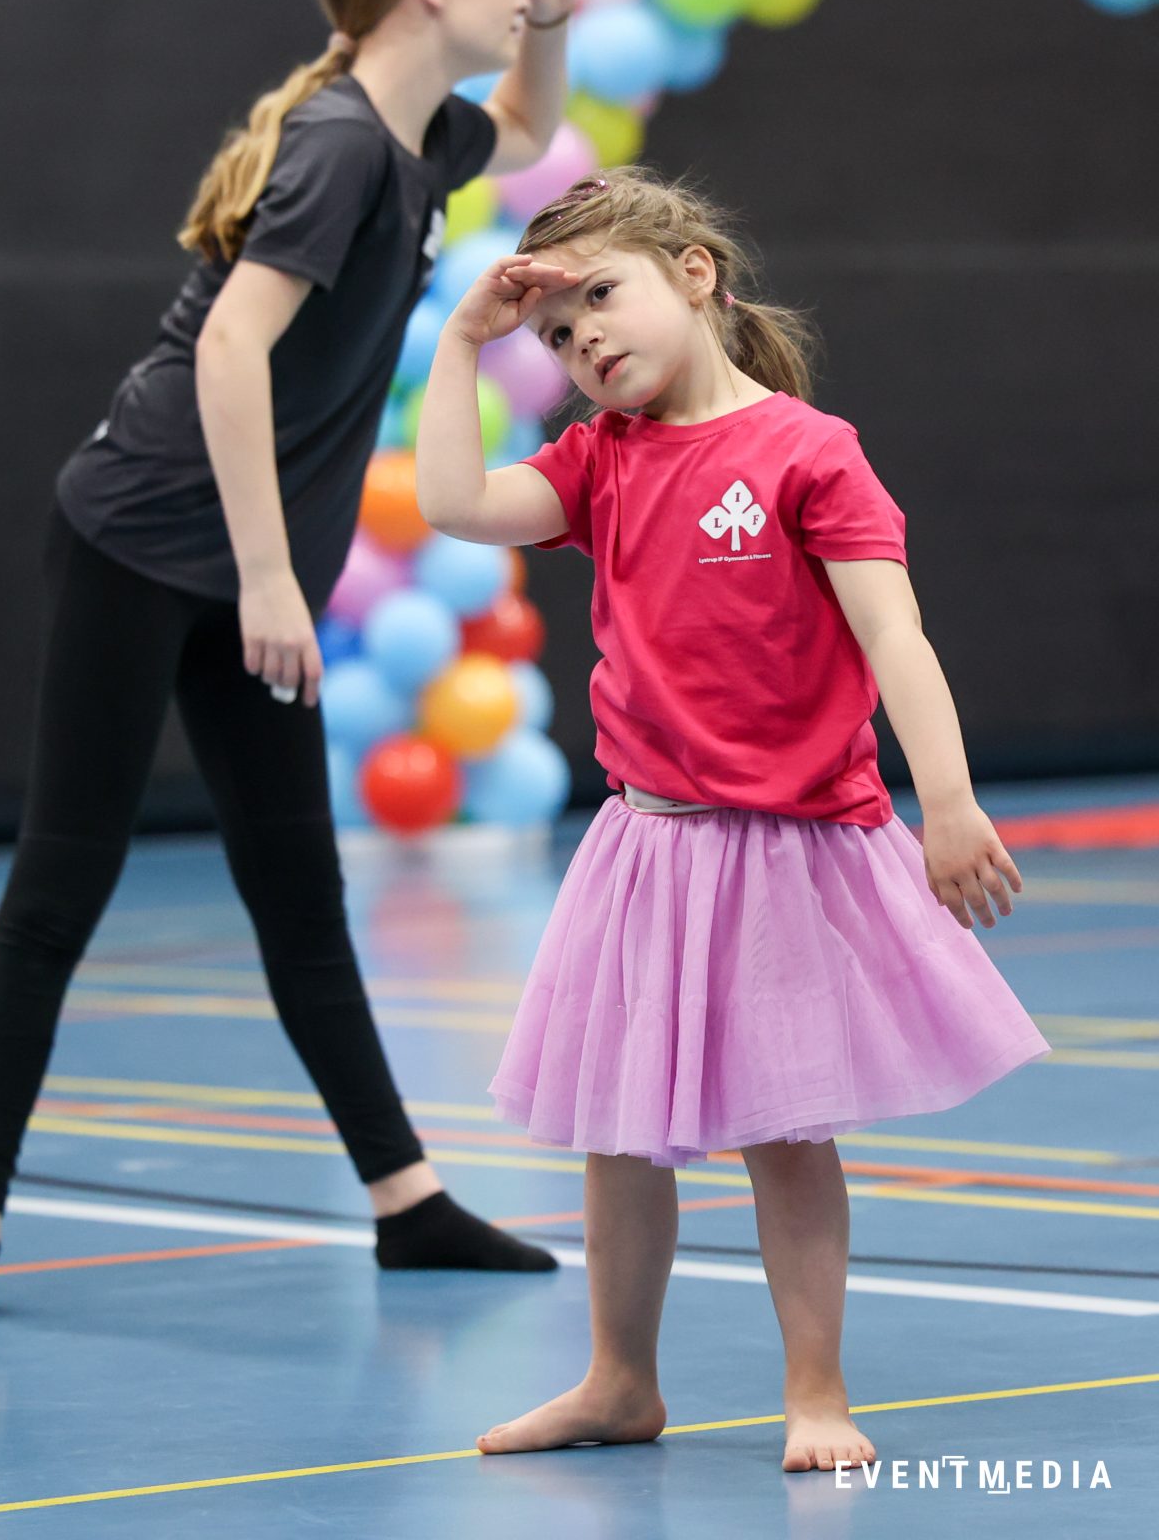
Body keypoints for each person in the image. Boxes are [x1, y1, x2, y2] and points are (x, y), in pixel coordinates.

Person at [0, 0, 580, 1328]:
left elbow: (527, 128)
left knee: (299, 893)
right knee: (60, 884)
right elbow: (228, 353)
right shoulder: (339, 146)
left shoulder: (420, 137)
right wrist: (271, 578)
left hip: (250, 570)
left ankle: (407, 1203)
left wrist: (556, 16)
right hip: (140, 543)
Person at [414, 165, 1051, 1471]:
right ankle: (618, 1383)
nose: (584, 340)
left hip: (787, 852)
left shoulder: (810, 453)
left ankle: (816, 1392)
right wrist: (463, 343)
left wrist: (948, 802)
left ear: (695, 274)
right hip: (647, 846)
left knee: (786, 1132)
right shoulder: (600, 460)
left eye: (602, 298)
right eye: (557, 334)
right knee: (618, 1134)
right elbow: (455, 505)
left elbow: (895, 635)